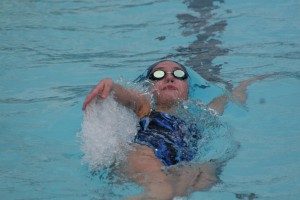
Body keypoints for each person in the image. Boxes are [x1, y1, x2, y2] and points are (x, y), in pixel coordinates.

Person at [82, 60, 265, 199]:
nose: (169, 77)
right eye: (159, 75)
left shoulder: (201, 113)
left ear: (187, 87)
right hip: (144, 154)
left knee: (203, 178)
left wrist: (247, 83)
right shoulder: (145, 107)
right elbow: (128, 97)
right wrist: (111, 87)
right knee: (161, 190)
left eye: (178, 74)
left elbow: (230, 98)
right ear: (150, 87)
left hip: (181, 164)